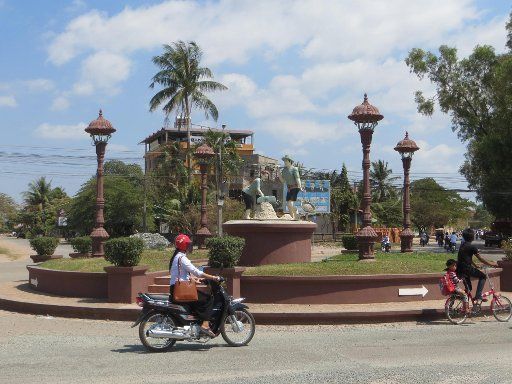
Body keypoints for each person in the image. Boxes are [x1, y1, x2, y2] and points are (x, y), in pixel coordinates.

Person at [169, 234, 221, 337]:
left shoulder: (176, 257)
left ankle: (196, 323)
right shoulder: (182, 258)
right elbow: (197, 271)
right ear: (184, 246)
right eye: (188, 244)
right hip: (180, 290)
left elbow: (179, 274)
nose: (190, 246)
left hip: (176, 288)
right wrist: (213, 277)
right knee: (208, 299)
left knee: (200, 299)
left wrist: (193, 279)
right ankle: (205, 325)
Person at [456, 228, 498, 302]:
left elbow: (467, 258)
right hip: (467, 269)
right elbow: (481, 259)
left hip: (460, 269)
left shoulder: (462, 245)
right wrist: (492, 264)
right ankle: (478, 295)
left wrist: (475, 266)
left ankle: (459, 302)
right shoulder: (472, 247)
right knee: (483, 276)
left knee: (469, 289)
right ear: (472, 237)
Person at [278, 155, 302, 220]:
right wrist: (278, 173)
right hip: (289, 189)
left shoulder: (294, 169)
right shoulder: (284, 170)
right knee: (288, 205)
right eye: (284, 161)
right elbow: (283, 181)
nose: (285, 162)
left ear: (290, 161)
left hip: (295, 187)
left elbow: (297, 178)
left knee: (290, 203)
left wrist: (300, 186)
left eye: (286, 160)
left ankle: (296, 211)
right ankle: (293, 217)